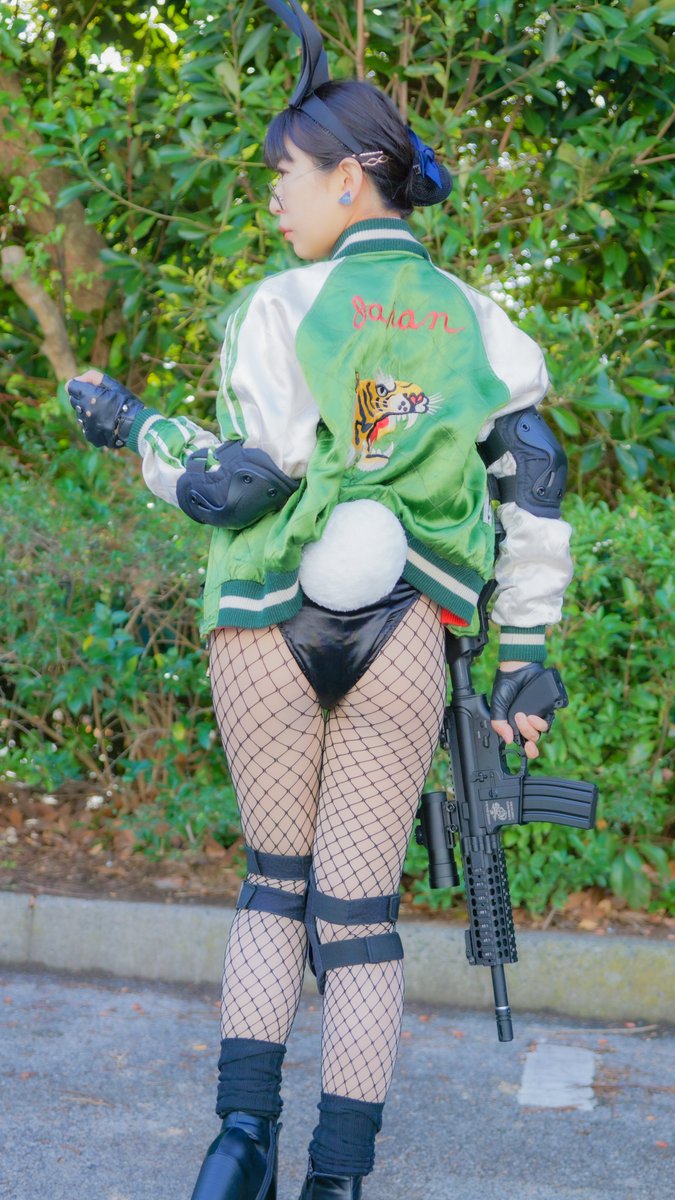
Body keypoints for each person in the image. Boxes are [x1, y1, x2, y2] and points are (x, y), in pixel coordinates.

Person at [66, 8, 572, 1199]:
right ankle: (337, 1179)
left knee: (273, 889)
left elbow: (238, 483)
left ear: (351, 177)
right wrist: (525, 657)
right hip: (407, 624)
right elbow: (533, 479)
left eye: (285, 175)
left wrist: (132, 425)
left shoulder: (279, 308)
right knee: (358, 918)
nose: (273, 197)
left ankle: (237, 1149)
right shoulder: (479, 320)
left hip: (267, 614)